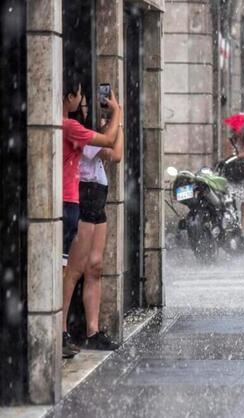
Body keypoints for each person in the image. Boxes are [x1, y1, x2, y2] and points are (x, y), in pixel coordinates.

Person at [61, 75, 122, 358]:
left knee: (95, 266)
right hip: (82, 199)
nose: (86, 109)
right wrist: (117, 115)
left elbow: (113, 149)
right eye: (83, 103)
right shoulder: (76, 132)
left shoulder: (84, 131)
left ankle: (93, 331)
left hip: (98, 202)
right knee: (73, 269)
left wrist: (113, 120)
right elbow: (116, 151)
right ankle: (62, 328)